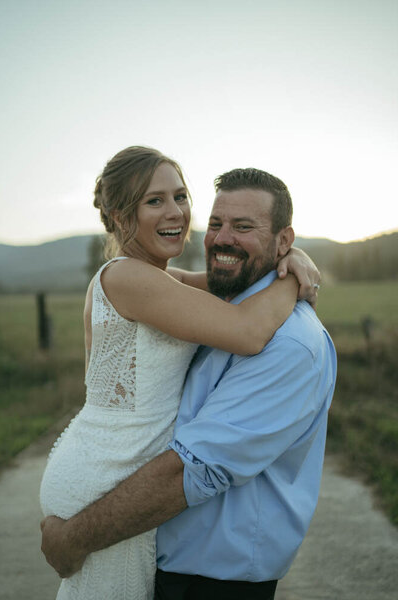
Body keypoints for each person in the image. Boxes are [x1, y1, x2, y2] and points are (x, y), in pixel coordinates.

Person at [39, 148, 320, 600]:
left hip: (123, 469)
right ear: (120, 215)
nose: (176, 212)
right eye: (154, 201)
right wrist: (291, 278)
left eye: (181, 195)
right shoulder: (128, 277)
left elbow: (236, 275)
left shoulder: (162, 279)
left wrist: (292, 253)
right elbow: (248, 331)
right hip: (105, 476)